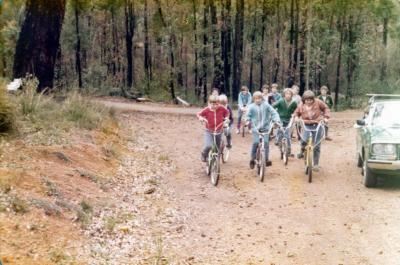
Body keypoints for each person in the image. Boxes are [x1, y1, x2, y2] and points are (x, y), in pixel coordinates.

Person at [293, 90, 330, 171]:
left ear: (313, 99)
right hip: (306, 124)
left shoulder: (318, 102)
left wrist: (326, 117)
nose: (309, 102)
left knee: (316, 145)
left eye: (310, 100)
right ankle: (302, 151)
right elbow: (296, 112)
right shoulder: (301, 105)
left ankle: (316, 164)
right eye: (307, 100)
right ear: (304, 100)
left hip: (317, 124)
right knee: (303, 140)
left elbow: (326, 108)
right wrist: (296, 117)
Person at [246, 91, 281, 169]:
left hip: (265, 128)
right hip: (256, 129)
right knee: (256, 142)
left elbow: (274, 112)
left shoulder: (266, 105)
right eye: (255, 98)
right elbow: (247, 115)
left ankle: (266, 159)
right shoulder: (251, 107)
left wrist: (276, 120)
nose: (257, 100)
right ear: (253, 99)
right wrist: (247, 120)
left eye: (259, 98)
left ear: (262, 98)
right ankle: (252, 158)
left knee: (266, 143)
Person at [197, 95, 230, 162]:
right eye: (212, 104)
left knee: (218, 148)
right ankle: (204, 154)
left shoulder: (221, 108)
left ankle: (215, 164)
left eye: (216, 104)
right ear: (209, 103)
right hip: (209, 131)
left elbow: (227, 112)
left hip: (219, 131)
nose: (214, 106)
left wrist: (226, 118)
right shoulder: (207, 110)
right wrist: (201, 118)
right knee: (208, 146)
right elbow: (199, 114)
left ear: (219, 103)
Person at [273, 88, 298, 155]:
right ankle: (278, 140)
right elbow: (273, 106)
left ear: (291, 95)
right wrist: (274, 112)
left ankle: (288, 150)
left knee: (287, 135)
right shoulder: (281, 101)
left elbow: (297, 110)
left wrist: (295, 116)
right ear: (284, 94)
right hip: (280, 119)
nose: (288, 95)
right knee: (279, 131)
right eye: (286, 94)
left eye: (289, 94)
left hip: (289, 119)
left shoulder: (294, 102)